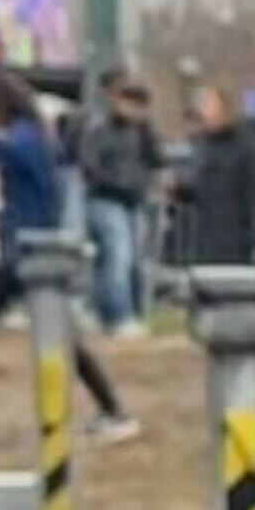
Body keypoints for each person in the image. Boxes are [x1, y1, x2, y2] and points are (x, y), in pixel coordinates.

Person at [0, 70, 141, 442]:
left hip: (27, 250)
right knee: (33, 329)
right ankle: (111, 410)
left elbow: (4, 151)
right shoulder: (36, 134)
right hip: (27, 246)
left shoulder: (26, 137)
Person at [77, 72, 164, 328]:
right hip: (106, 199)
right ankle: (120, 314)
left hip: (134, 202)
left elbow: (157, 160)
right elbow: (89, 164)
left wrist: (148, 134)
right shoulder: (100, 130)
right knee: (118, 254)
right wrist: (114, 182)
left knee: (134, 260)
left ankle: (127, 311)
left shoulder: (143, 134)